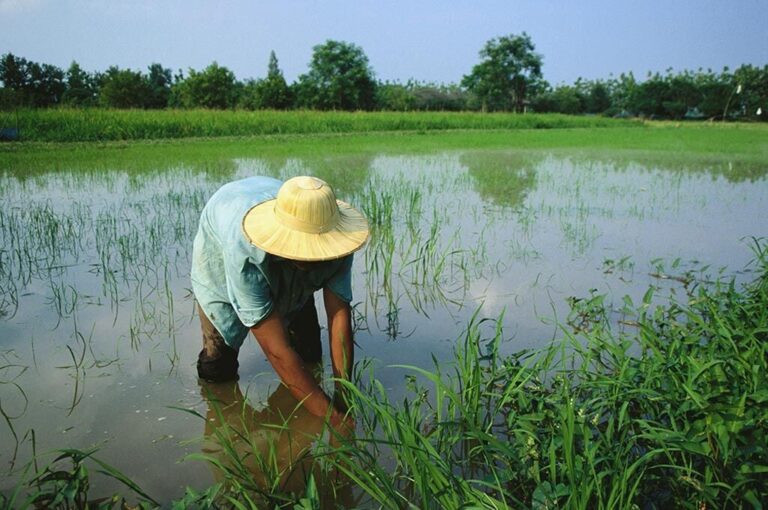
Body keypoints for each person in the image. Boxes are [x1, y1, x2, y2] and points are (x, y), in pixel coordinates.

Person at [191, 175, 368, 430]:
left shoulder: (336, 243)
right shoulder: (243, 250)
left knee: (309, 353)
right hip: (221, 260)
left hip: (283, 252)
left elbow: (338, 316)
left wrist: (344, 395)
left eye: (317, 251)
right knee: (218, 366)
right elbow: (277, 350)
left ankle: (297, 424)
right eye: (304, 250)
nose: (309, 259)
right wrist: (334, 419)